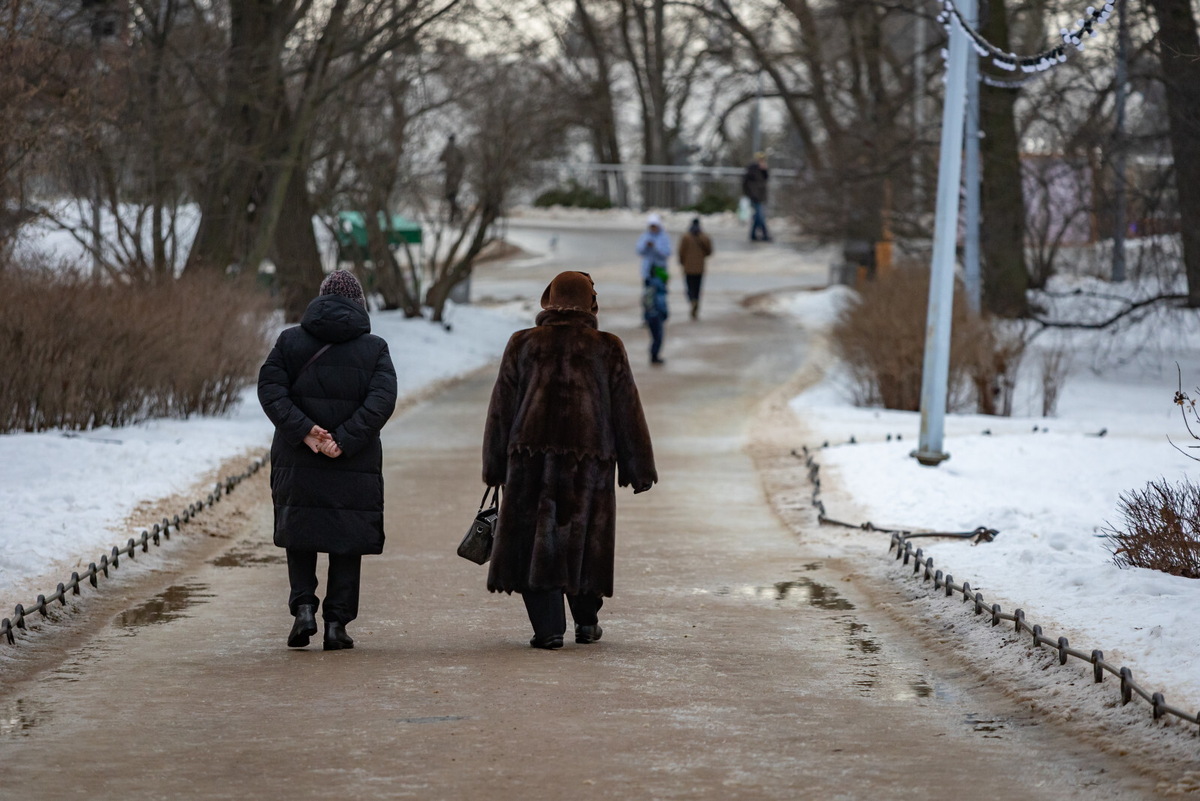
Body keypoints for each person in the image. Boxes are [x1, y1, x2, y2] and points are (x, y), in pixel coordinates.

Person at [482, 271, 657, 649]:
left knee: (536, 539)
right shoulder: (607, 347)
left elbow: (501, 408)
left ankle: (549, 629)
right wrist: (638, 466)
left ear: (548, 300)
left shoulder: (522, 343)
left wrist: (494, 465)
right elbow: (628, 411)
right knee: (585, 539)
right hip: (590, 466)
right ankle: (587, 621)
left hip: (529, 464)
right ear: (590, 305)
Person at [258, 270, 398, 651]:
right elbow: (382, 400)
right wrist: (343, 439)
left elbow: (270, 389)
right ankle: (337, 624)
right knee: (347, 539)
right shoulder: (375, 348)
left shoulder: (289, 342)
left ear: (320, 300)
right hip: (354, 460)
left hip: (297, 458)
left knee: (301, 534)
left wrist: (306, 432)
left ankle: (304, 607)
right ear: (359, 304)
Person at [637, 213, 672, 365]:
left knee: (657, 298)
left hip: (659, 273)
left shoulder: (663, 237)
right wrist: (646, 246)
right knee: (648, 298)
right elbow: (639, 250)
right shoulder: (645, 236)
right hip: (648, 274)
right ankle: (648, 316)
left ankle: (655, 314)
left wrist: (655, 247)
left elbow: (667, 253)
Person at [678, 217, 713, 320]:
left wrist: (682, 262)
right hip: (699, 268)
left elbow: (681, 251)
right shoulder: (704, 237)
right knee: (698, 287)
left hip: (688, 267)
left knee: (689, 287)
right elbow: (709, 251)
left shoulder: (685, 237)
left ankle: (692, 300)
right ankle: (696, 301)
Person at [742, 151, 771, 242]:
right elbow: (746, 183)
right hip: (755, 196)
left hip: (761, 196)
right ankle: (765, 234)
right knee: (760, 216)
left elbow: (766, 179)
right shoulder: (752, 169)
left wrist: (764, 170)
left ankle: (753, 235)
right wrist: (750, 194)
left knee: (758, 217)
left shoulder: (763, 170)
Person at [439, 134, 465, 223]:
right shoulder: (453, 150)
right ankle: (454, 214)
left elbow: (441, 158)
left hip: (453, 177)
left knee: (451, 196)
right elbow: (441, 159)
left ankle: (455, 214)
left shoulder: (454, 151)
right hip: (451, 177)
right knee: (450, 197)